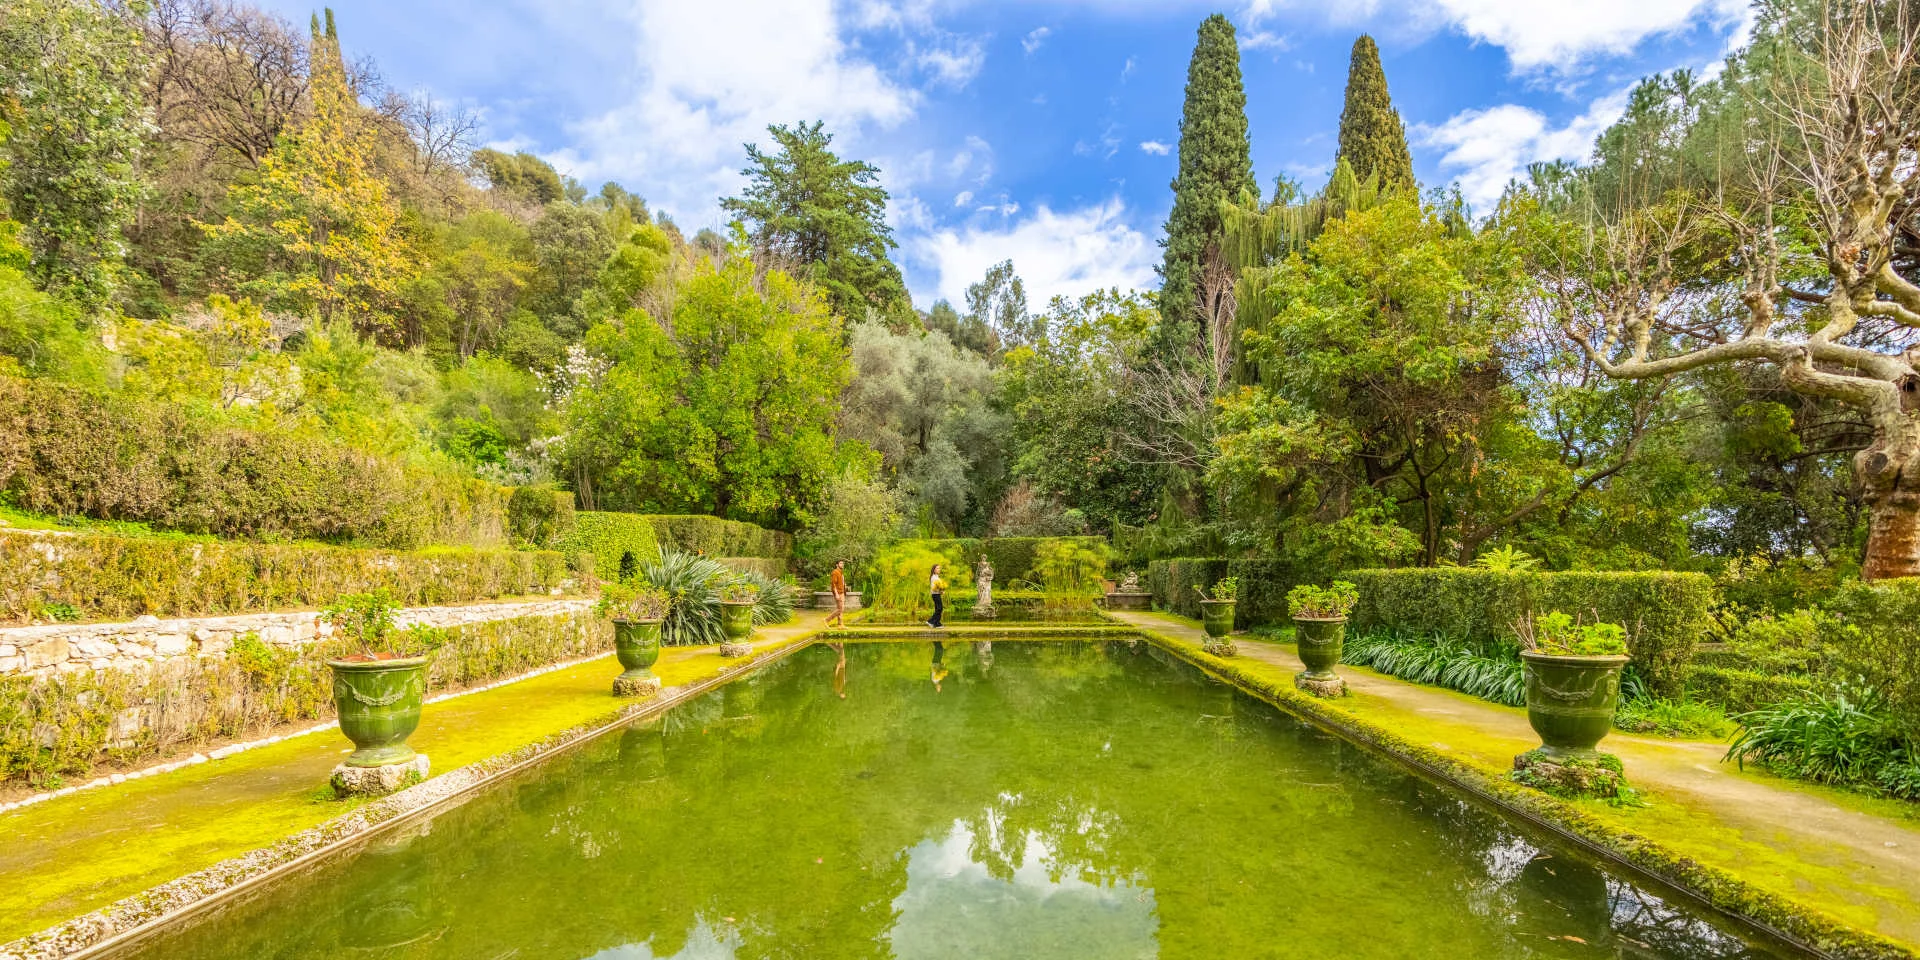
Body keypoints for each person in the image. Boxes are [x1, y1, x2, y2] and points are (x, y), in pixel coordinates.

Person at [827, 559, 848, 628]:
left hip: (842, 592)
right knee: (840, 609)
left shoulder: (840, 572)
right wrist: (836, 594)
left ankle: (840, 624)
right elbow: (833, 584)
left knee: (841, 609)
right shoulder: (835, 572)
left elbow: (840, 582)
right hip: (838, 593)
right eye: (841, 563)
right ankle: (826, 620)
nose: (842, 564)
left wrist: (844, 584)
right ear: (837, 565)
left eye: (843, 563)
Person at [925, 563, 947, 628]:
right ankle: (931, 621)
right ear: (934, 570)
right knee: (940, 608)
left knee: (938, 609)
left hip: (937, 594)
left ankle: (936, 623)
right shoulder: (934, 578)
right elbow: (933, 589)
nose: (939, 569)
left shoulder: (936, 577)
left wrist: (941, 589)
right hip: (935, 595)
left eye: (939, 568)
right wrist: (941, 591)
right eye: (937, 568)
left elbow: (938, 586)